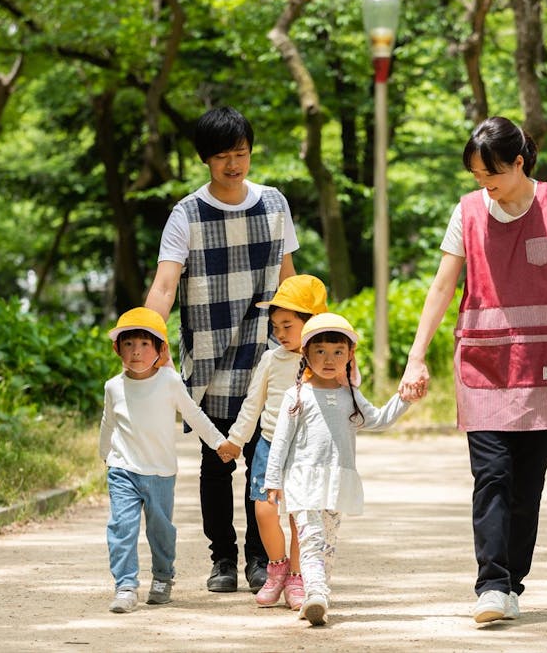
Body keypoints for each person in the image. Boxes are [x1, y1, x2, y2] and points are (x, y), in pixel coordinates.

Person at [397, 116, 547, 624]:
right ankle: (491, 584)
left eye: (492, 175)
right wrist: (416, 356)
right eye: (478, 176)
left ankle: (513, 583)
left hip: (545, 363)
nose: (485, 185)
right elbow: (442, 287)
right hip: (482, 364)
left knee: (528, 485)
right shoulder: (466, 213)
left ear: (519, 162)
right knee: (492, 476)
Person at [144, 106, 299, 593]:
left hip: (266, 353)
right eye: (222, 156)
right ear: (205, 160)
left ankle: (259, 560)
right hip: (210, 356)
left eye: (241, 153)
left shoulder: (274, 203)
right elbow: (165, 284)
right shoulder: (186, 214)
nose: (234, 164)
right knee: (217, 462)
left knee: (265, 460)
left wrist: (308, 342)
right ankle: (222, 560)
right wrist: (152, 337)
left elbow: (288, 279)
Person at [264, 313, 411, 626]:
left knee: (327, 544)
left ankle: (319, 592)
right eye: (320, 351)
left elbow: (380, 420)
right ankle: (314, 591)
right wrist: (273, 480)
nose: (329, 359)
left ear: (349, 356)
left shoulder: (351, 397)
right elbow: (280, 442)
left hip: (336, 482)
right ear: (306, 355)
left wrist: (405, 398)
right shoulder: (297, 396)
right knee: (310, 538)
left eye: (337, 353)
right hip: (303, 480)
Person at [99, 307, 234, 614]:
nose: (136, 352)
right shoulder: (113, 386)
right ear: (116, 348)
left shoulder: (170, 382)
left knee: (160, 529)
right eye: (129, 344)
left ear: (160, 349)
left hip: (160, 472)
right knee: (121, 527)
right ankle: (126, 585)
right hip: (123, 469)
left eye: (145, 344)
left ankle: (162, 577)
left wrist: (218, 443)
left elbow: (194, 414)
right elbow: (108, 422)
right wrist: (105, 453)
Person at [221, 274, 328, 611]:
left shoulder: (323, 360)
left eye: (287, 325)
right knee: (264, 509)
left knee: (299, 516)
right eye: (276, 327)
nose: (280, 334)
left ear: (310, 322)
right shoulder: (271, 360)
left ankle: (297, 576)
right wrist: (236, 440)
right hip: (269, 444)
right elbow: (253, 403)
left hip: (305, 450)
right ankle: (277, 567)